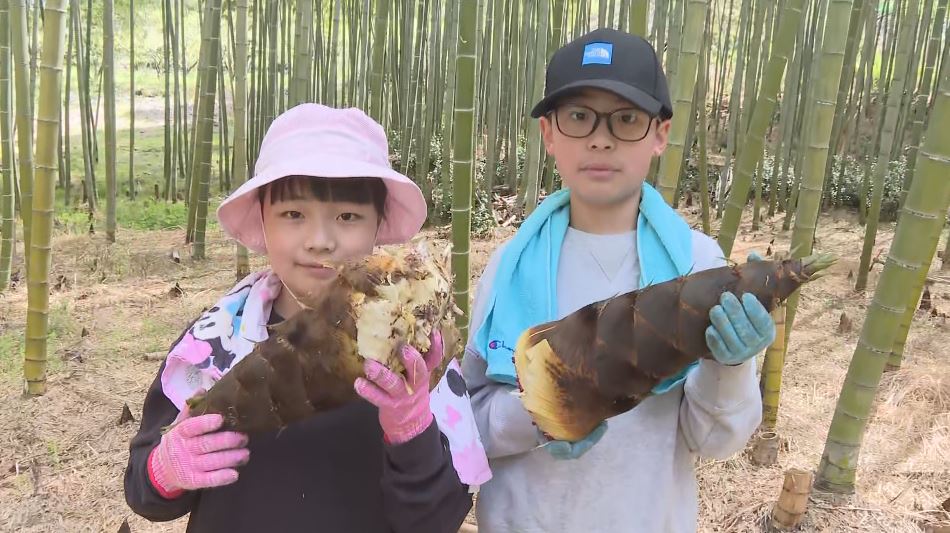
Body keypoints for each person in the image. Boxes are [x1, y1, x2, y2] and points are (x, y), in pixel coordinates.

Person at [462, 28, 773, 532]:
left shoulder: (697, 263)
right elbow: (468, 422)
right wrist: (540, 415)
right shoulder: (508, 269)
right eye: (578, 117)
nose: (600, 138)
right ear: (548, 134)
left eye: (626, 119)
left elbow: (716, 441)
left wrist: (730, 366)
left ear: (660, 134)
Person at [124, 103, 489, 533]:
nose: (320, 241)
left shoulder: (416, 354)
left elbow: (438, 519)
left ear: (378, 225)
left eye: (347, 217)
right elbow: (143, 492)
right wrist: (166, 468)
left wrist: (411, 430)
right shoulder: (213, 343)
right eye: (293, 215)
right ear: (263, 221)